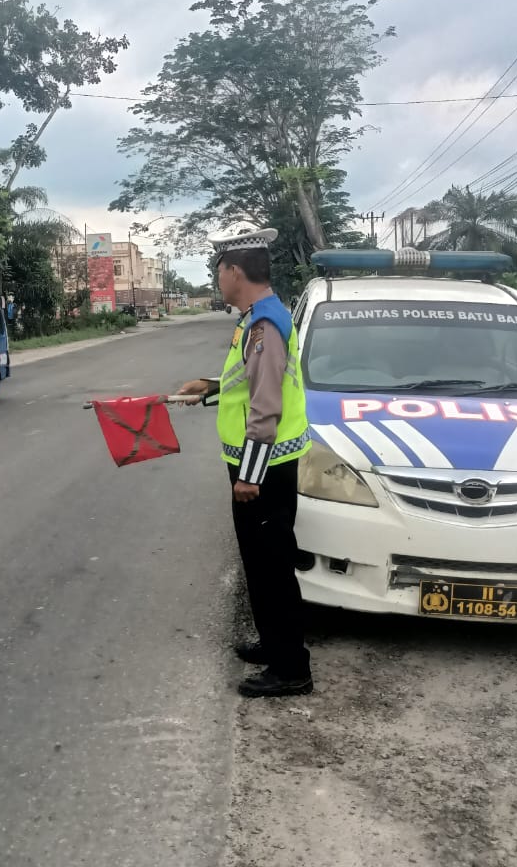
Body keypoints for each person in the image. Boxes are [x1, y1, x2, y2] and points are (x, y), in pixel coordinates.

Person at [178, 224, 314, 698]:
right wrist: (209, 388)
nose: (218, 280)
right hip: (265, 465)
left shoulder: (264, 326)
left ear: (235, 271)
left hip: (264, 471)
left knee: (271, 566)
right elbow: (245, 384)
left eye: (219, 271)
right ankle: (275, 645)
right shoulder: (258, 318)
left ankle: (291, 669)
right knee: (261, 564)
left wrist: (249, 476)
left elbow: (266, 406)